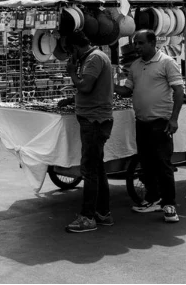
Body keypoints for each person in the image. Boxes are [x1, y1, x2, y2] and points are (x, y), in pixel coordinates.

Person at [115, 30, 184, 223]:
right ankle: (153, 198)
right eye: (135, 43)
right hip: (142, 122)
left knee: (163, 164)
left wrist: (174, 119)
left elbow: (179, 90)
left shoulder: (167, 62)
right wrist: (109, 85)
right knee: (146, 164)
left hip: (160, 122)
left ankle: (169, 205)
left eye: (140, 43)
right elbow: (127, 90)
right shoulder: (135, 66)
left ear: (152, 43)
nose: (136, 46)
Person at [60, 31, 114, 233]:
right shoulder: (95, 57)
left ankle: (88, 217)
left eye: (69, 51)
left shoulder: (94, 59)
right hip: (94, 118)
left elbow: (85, 86)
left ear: (74, 47)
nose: (69, 56)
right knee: (97, 168)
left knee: (90, 170)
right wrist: (71, 100)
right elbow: (87, 90)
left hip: (94, 120)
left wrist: (72, 72)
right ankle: (102, 213)